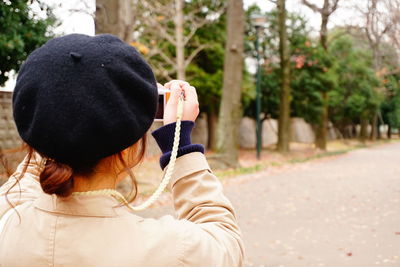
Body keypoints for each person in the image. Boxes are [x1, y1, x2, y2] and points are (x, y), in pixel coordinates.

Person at [0, 34, 244, 266]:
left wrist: (59, 119)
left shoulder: (7, 222)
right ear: (127, 150)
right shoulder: (171, 250)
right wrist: (180, 144)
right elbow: (224, 241)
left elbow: (28, 176)